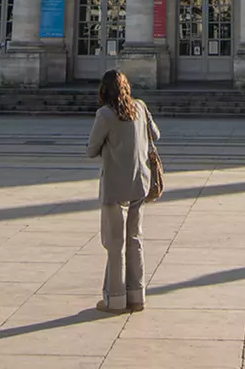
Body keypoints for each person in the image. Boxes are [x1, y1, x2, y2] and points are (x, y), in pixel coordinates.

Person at [87, 69, 159, 313]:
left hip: (115, 186)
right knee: (135, 240)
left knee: (114, 243)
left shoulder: (105, 114)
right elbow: (156, 135)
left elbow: (91, 148)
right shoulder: (140, 107)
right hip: (140, 184)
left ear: (104, 90)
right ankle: (137, 296)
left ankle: (115, 298)